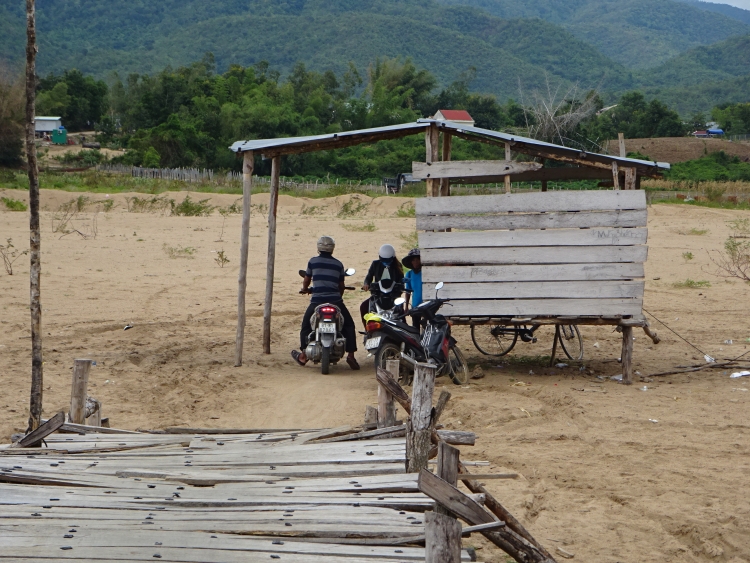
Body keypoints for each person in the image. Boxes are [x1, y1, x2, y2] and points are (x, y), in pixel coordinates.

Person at [291, 236, 359, 370]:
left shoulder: (313, 262)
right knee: (349, 325)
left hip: (317, 301)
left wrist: (305, 289)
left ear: (318, 248)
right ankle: (351, 355)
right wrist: (338, 298)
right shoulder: (338, 264)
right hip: (335, 301)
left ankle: (304, 355)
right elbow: (341, 285)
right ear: (332, 249)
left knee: (305, 325)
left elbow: (307, 280)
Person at [360, 244, 404, 326]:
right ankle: (367, 327)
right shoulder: (375, 264)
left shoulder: (398, 266)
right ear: (380, 257)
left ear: (393, 258)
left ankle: (403, 329)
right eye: (383, 259)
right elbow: (369, 277)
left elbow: (401, 281)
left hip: (393, 296)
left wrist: (401, 286)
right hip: (378, 295)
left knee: (401, 312)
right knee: (363, 306)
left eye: (388, 260)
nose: (386, 262)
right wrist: (366, 284)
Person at [402, 248, 423, 328]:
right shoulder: (409, 274)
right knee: (416, 327)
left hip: (427, 305)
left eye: (417, 259)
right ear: (411, 262)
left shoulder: (426, 272)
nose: (416, 262)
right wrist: (406, 306)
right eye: (413, 260)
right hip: (415, 306)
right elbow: (408, 292)